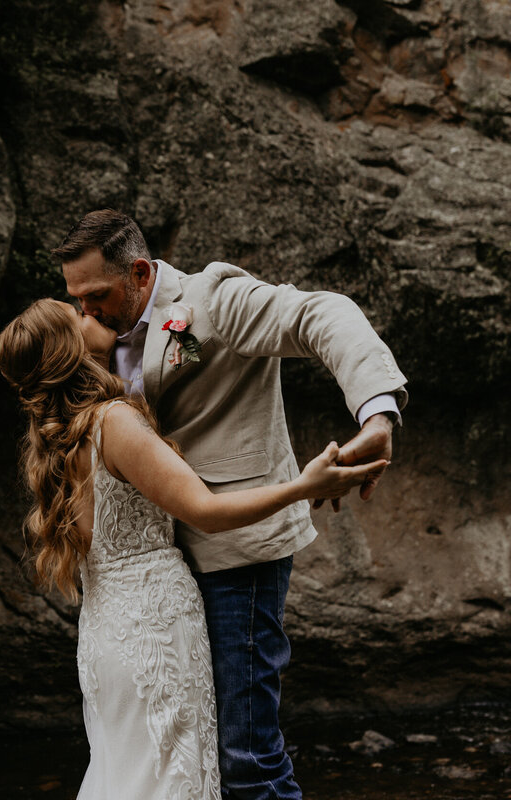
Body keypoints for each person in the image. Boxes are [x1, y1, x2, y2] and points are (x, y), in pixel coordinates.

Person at [53, 209, 408, 800]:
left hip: (236, 556)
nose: (84, 311)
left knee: (247, 757)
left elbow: (322, 314)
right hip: (157, 585)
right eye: (75, 299)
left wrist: (376, 411)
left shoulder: (212, 300)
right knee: (193, 757)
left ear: (140, 273)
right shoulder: (93, 334)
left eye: (96, 295)